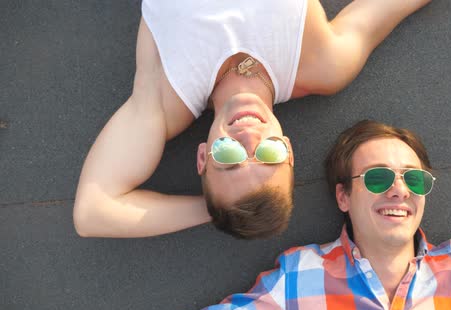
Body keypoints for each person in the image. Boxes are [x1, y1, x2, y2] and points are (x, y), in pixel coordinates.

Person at [150, 120, 451, 310]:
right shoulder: (302, 276)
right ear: (342, 197)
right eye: (379, 177)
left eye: (414, 178)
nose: (400, 190)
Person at [73, 0, 432, 239]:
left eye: (229, 157)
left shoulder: (162, 98)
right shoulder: (322, 65)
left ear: (202, 157)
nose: (248, 138)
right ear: (288, 150)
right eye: (269, 156)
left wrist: (219, 212)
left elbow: (93, 211)